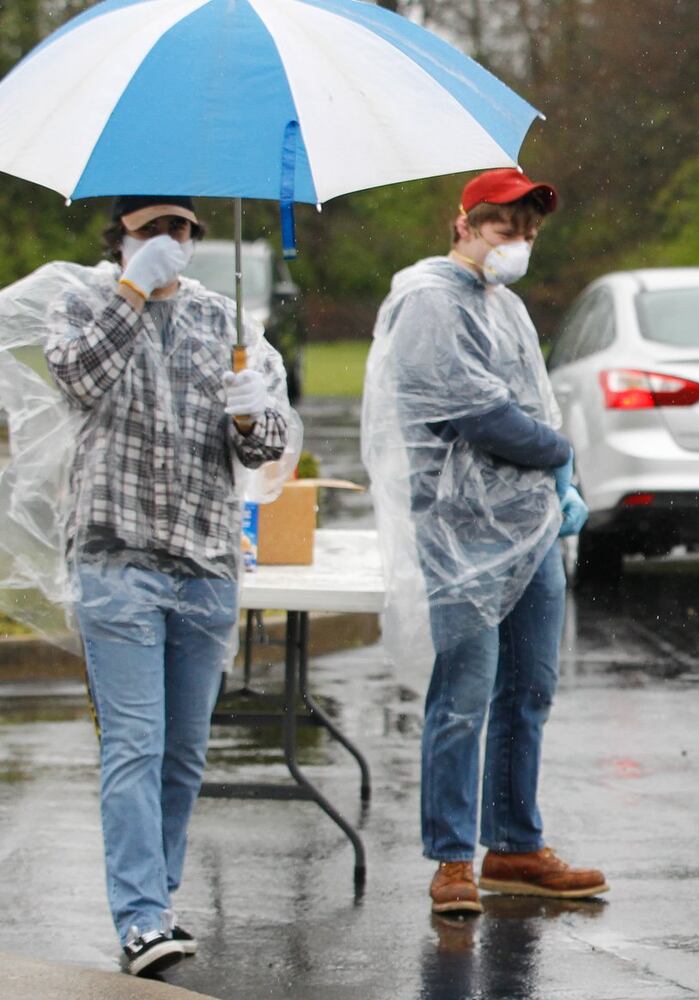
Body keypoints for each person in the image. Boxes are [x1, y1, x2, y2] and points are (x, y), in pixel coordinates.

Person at [37, 196, 296, 976]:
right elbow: (78, 379)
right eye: (151, 229)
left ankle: (161, 896)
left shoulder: (226, 321)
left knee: (183, 753)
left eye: (180, 229)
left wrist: (254, 418)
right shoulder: (81, 301)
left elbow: (266, 448)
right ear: (119, 235)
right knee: (134, 744)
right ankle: (141, 918)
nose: (168, 242)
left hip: (207, 562)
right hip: (117, 559)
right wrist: (130, 291)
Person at [361, 168, 599, 917]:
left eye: (528, 233)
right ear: (462, 223)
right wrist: (558, 452)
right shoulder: (429, 298)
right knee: (463, 696)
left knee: (528, 690)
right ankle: (451, 859)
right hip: (462, 533)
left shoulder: (505, 306)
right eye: (504, 229)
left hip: (528, 530)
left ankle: (514, 846)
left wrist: (557, 488)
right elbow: (475, 410)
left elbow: (528, 393)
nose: (517, 245)